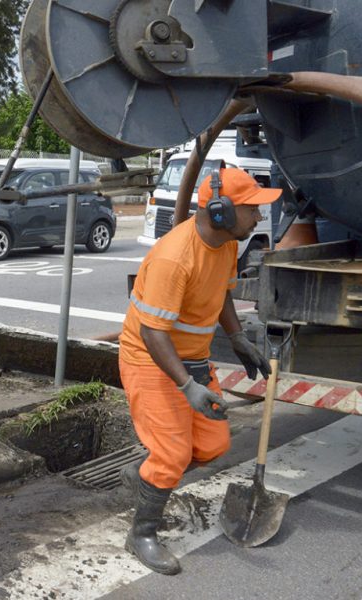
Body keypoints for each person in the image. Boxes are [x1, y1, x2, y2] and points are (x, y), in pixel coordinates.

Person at [117, 167, 278, 575]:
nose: (260, 218)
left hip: (192, 359)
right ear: (221, 211)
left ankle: (141, 474)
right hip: (151, 360)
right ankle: (143, 533)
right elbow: (154, 334)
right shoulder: (175, 256)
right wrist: (188, 386)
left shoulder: (225, 245)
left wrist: (237, 337)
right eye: (253, 209)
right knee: (173, 453)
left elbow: (221, 292)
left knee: (214, 444)